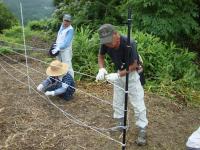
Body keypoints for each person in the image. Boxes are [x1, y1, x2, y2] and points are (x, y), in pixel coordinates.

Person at [96, 24, 148, 146]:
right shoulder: (105, 42)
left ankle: (142, 128)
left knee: (137, 102)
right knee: (117, 99)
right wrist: (101, 69)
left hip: (132, 72)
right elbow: (101, 56)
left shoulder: (129, 43)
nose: (107, 45)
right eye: (105, 43)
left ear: (116, 34)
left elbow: (134, 65)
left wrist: (119, 75)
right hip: (118, 71)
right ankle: (121, 123)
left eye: (109, 42)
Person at [51, 14, 74, 78]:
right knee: (59, 65)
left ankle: (70, 82)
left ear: (70, 22)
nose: (66, 22)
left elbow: (66, 42)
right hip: (58, 50)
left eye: (68, 21)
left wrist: (58, 47)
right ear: (63, 20)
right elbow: (59, 37)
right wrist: (56, 45)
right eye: (65, 20)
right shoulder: (62, 26)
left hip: (66, 51)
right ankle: (60, 80)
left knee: (67, 66)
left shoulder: (70, 30)